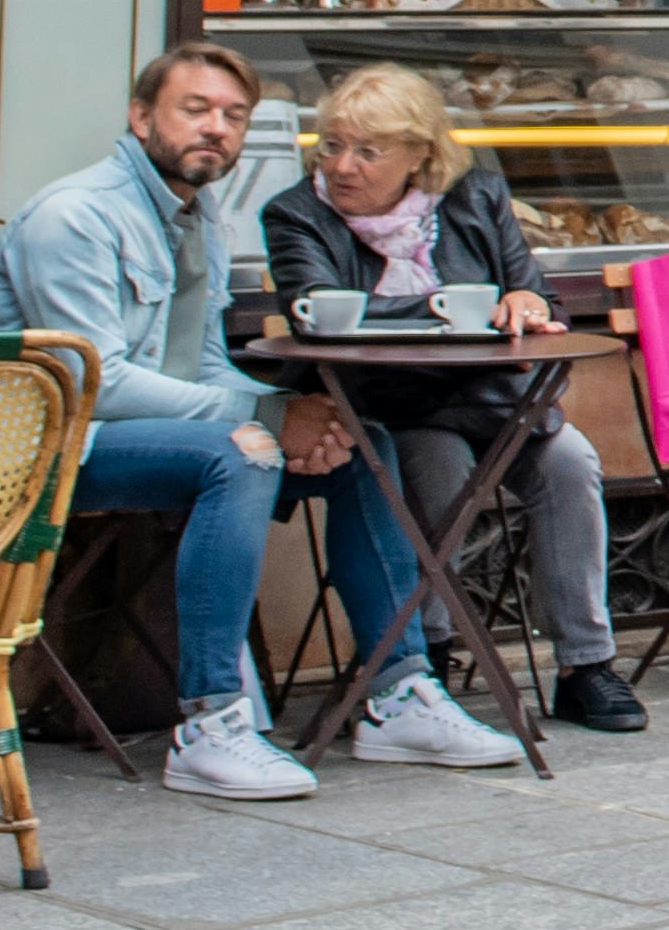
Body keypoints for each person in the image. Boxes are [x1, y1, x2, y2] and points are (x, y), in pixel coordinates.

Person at [0, 45, 418, 801]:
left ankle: (401, 696)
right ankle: (210, 723)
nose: (216, 128)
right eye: (195, 109)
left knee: (361, 443)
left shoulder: (195, 215)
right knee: (241, 451)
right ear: (141, 116)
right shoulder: (75, 215)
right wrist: (267, 415)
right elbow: (98, 383)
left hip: (149, 436)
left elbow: (205, 362)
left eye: (234, 115)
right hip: (47, 450)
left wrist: (290, 414)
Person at [252, 65, 606, 757]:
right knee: (429, 463)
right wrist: (466, 310)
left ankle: (586, 665)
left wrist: (527, 304)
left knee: (572, 462)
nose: (341, 165)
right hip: (391, 407)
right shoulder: (298, 213)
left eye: (366, 149)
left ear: (419, 153)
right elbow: (321, 310)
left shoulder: (476, 194)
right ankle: (423, 656)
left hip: (496, 403)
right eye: (330, 146)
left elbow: (536, 299)